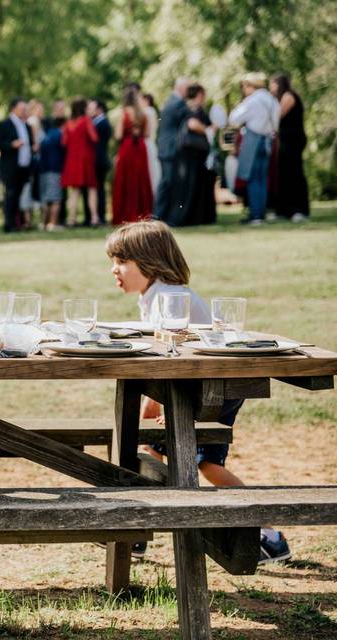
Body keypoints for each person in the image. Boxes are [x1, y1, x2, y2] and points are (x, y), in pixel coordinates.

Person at [105, 220, 292, 563]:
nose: (113, 269)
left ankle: (268, 533)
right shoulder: (156, 295)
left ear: (148, 262)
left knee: (204, 463)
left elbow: (176, 359)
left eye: (121, 262)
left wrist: (160, 405)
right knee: (153, 448)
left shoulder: (172, 299)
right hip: (191, 389)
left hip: (212, 392)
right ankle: (139, 528)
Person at [229, 72, 280, 225]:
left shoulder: (252, 101)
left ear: (251, 86)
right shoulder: (272, 100)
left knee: (252, 178)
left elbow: (234, 119)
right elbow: (276, 124)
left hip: (253, 140)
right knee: (263, 179)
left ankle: (255, 214)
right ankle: (260, 212)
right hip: (267, 140)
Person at [174, 84, 217, 226]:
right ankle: (190, 217)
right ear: (199, 94)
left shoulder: (192, 108)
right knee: (192, 183)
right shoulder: (191, 108)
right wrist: (208, 130)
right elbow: (192, 124)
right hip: (192, 152)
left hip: (196, 152)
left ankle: (200, 216)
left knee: (198, 183)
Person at [270, 74, 309, 222]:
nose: (270, 87)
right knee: (284, 173)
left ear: (279, 84)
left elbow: (278, 116)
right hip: (286, 139)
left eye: (272, 84)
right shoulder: (280, 98)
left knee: (294, 172)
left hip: (294, 138)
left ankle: (299, 210)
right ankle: (284, 211)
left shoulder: (288, 96)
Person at [111, 87, 154, 225]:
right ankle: (142, 213)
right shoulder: (143, 114)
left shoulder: (123, 114)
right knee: (140, 179)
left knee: (125, 179)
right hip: (140, 147)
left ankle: (124, 214)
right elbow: (147, 134)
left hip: (127, 147)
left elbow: (118, 135)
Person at [154, 78, 192, 223]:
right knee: (168, 184)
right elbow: (190, 115)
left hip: (167, 149)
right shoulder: (178, 103)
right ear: (181, 88)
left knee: (168, 183)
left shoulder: (171, 101)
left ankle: (161, 216)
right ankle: (160, 217)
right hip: (171, 149)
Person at [0, 97, 34, 232]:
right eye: (22, 109)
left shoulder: (26, 125)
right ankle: (9, 224)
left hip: (24, 166)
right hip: (10, 167)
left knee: (18, 195)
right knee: (10, 195)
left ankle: (17, 223)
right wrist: (12, 144)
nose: (24, 111)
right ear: (13, 108)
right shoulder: (4, 124)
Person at [61, 97, 99, 227]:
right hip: (85, 159)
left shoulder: (68, 123)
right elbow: (94, 137)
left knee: (74, 192)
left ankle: (72, 219)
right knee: (91, 190)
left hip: (71, 159)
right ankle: (94, 218)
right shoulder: (86, 121)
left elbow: (64, 142)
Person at [37, 115, 66, 231]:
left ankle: (44, 223)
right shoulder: (59, 135)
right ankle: (53, 224)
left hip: (43, 171)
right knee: (55, 199)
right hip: (54, 170)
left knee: (45, 199)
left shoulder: (46, 136)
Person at [87, 100, 112, 225]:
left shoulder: (102, 124)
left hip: (99, 161)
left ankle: (100, 216)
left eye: (92, 108)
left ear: (99, 109)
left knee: (99, 189)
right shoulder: (97, 123)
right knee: (97, 189)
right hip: (98, 160)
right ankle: (97, 215)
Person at [141, 93, 161, 193]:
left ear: (146, 101)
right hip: (152, 143)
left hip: (146, 142)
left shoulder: (147, 111)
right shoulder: (153, 111)